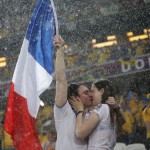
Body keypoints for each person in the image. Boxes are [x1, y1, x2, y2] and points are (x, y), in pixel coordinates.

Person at [53, 35, 124, 150]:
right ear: (76, 98)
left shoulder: (92, 113)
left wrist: (117, 107)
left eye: (91, 91)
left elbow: (120, 123)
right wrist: (60, 50)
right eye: (86, 93)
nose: (91, 94)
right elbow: (61, 80)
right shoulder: (63, 109)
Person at [70, 79, 125, 150]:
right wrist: (118, 106)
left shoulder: (102, 108)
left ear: (101, 91)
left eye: (93, 91)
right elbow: (123, 121)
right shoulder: (112, 110)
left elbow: (79, 134)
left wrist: (79, 111)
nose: (90, 94)